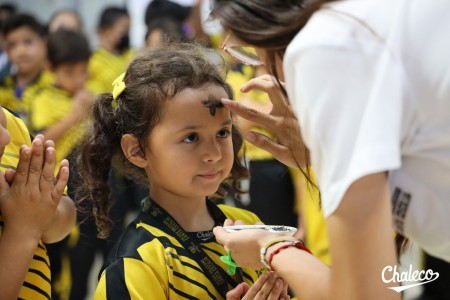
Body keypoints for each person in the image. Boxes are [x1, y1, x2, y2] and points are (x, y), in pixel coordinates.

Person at [209, 0, 450, 299]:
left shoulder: (325, 43)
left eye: (250, 49)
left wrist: (269, 246)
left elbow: (365, 294)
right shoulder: (377, 21)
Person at [77, 43, 289, 299]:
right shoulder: (137, 260)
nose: (215, 153)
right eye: (191, 138)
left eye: (222, 132)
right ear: (137, 150)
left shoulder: (249, 226)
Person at [29, 28, 93, 300]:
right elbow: (39, 138)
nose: (78, 79)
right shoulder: (44, 97)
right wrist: (75, 114)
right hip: (56, 186)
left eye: (82, 71)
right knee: (56, 256)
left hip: (85, 182)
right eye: (70, 73)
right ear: (51, 68)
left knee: (83, 255)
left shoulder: (85, 94)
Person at [0, 106, 75, 299]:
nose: (5, 137)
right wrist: (23, 229)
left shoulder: (14, 125)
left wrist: (44, 214)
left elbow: (67, 212)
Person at [0, 13, 52, 125]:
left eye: (28, 42)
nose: (21, 51)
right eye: (12, 45)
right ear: (7, 51)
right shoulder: (3, 86)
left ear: (43, 43)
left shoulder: (54, 85)